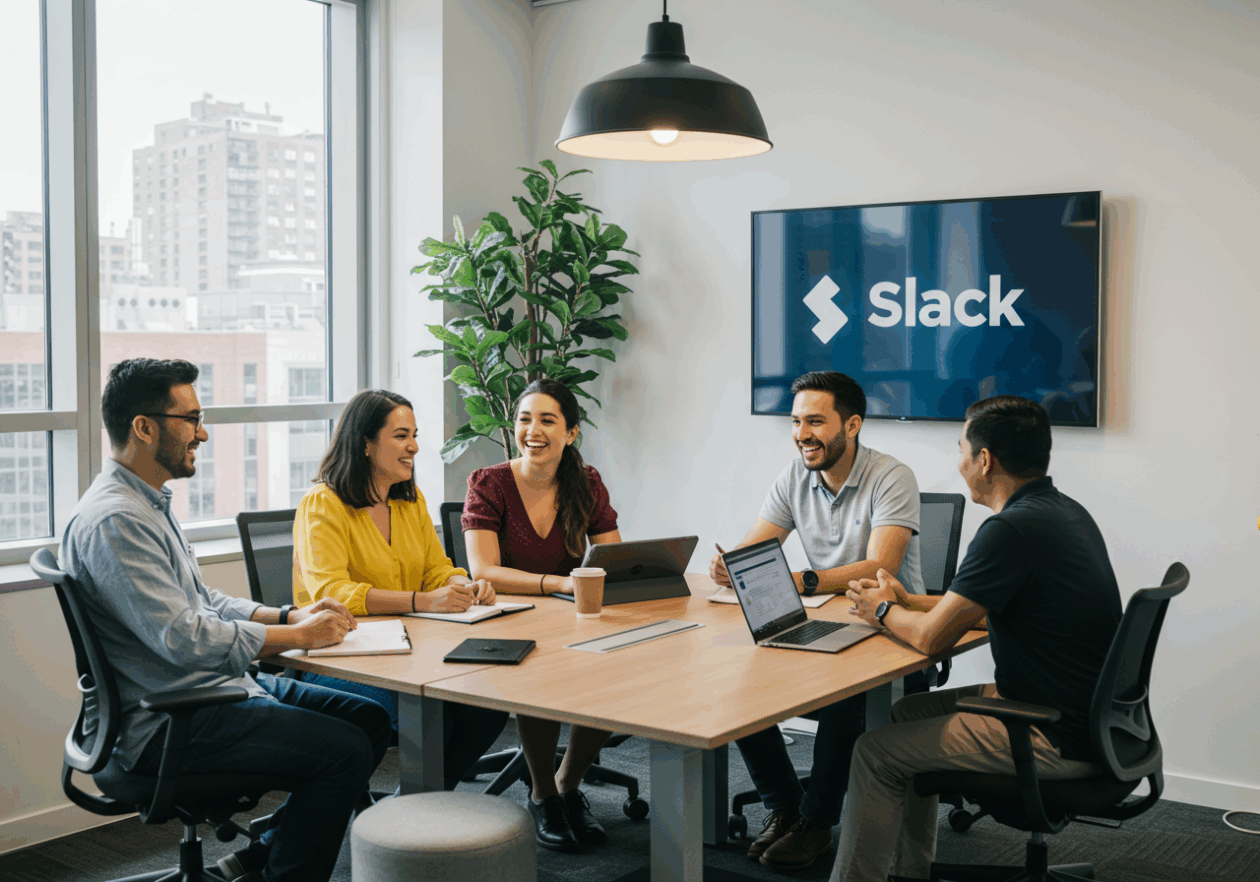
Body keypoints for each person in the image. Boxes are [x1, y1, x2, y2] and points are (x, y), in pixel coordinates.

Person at [60, 358, 392, 882]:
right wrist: (298, 636)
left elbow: (201, 600)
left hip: (215, 687)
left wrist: (287, 614)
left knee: (369, 719)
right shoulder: (117, 520)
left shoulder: (146, 503)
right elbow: (186, 639)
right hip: (175, 718)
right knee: (344, 752)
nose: (204, 433)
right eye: (191, 419)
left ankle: (266, 856)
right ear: (144, 427)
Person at [831, 395, 1121, 882]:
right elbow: (986, 610)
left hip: (1049, 731)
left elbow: (930, 642)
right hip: (1089, 717)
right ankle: (909, 870)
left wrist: (880, 610)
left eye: (961, 448)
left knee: (875, 751)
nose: (959, 460)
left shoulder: (1009, 530)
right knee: (907, 712)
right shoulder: (1062, 512)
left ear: (984, 460)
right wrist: (907, 599)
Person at [709, 371, 924, 871]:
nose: (801, 433)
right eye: (795, 421)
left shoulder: (892, 475)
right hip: (826, 627)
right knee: (742, 682)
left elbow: (880, 568)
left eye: (814, 421)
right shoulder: (794, 477)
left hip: (894, 637)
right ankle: (787, 809)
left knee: (844, 700)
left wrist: (802, 580)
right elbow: (757, 547)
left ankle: (818, 823)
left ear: (851, 425)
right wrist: (731, 566)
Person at [292, 388, 510, 787]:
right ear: (365, 443)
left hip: (411, 651)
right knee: (433, 718)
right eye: (400, 435)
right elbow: (333, 592)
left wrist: (463, 585)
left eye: (414, 435)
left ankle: (416, 807)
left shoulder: (409, 501)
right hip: (340, 657)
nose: (413, 446)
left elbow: (435, 568)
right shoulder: (322, 503)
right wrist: (424, 600)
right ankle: (411, 820)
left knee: (486, 706)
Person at [463, 378, 621, 852]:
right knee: (543, 677)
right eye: (524, 419)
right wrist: (558, 584)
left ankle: (568, 785)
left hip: (572, 616)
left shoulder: (586, 482)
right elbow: (484, 568)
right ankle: (542, 793)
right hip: (511, 618)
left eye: (547, 420)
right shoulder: (489, 483)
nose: (533, 430)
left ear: (571, 433)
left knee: (616, 670)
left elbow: (611, 557)